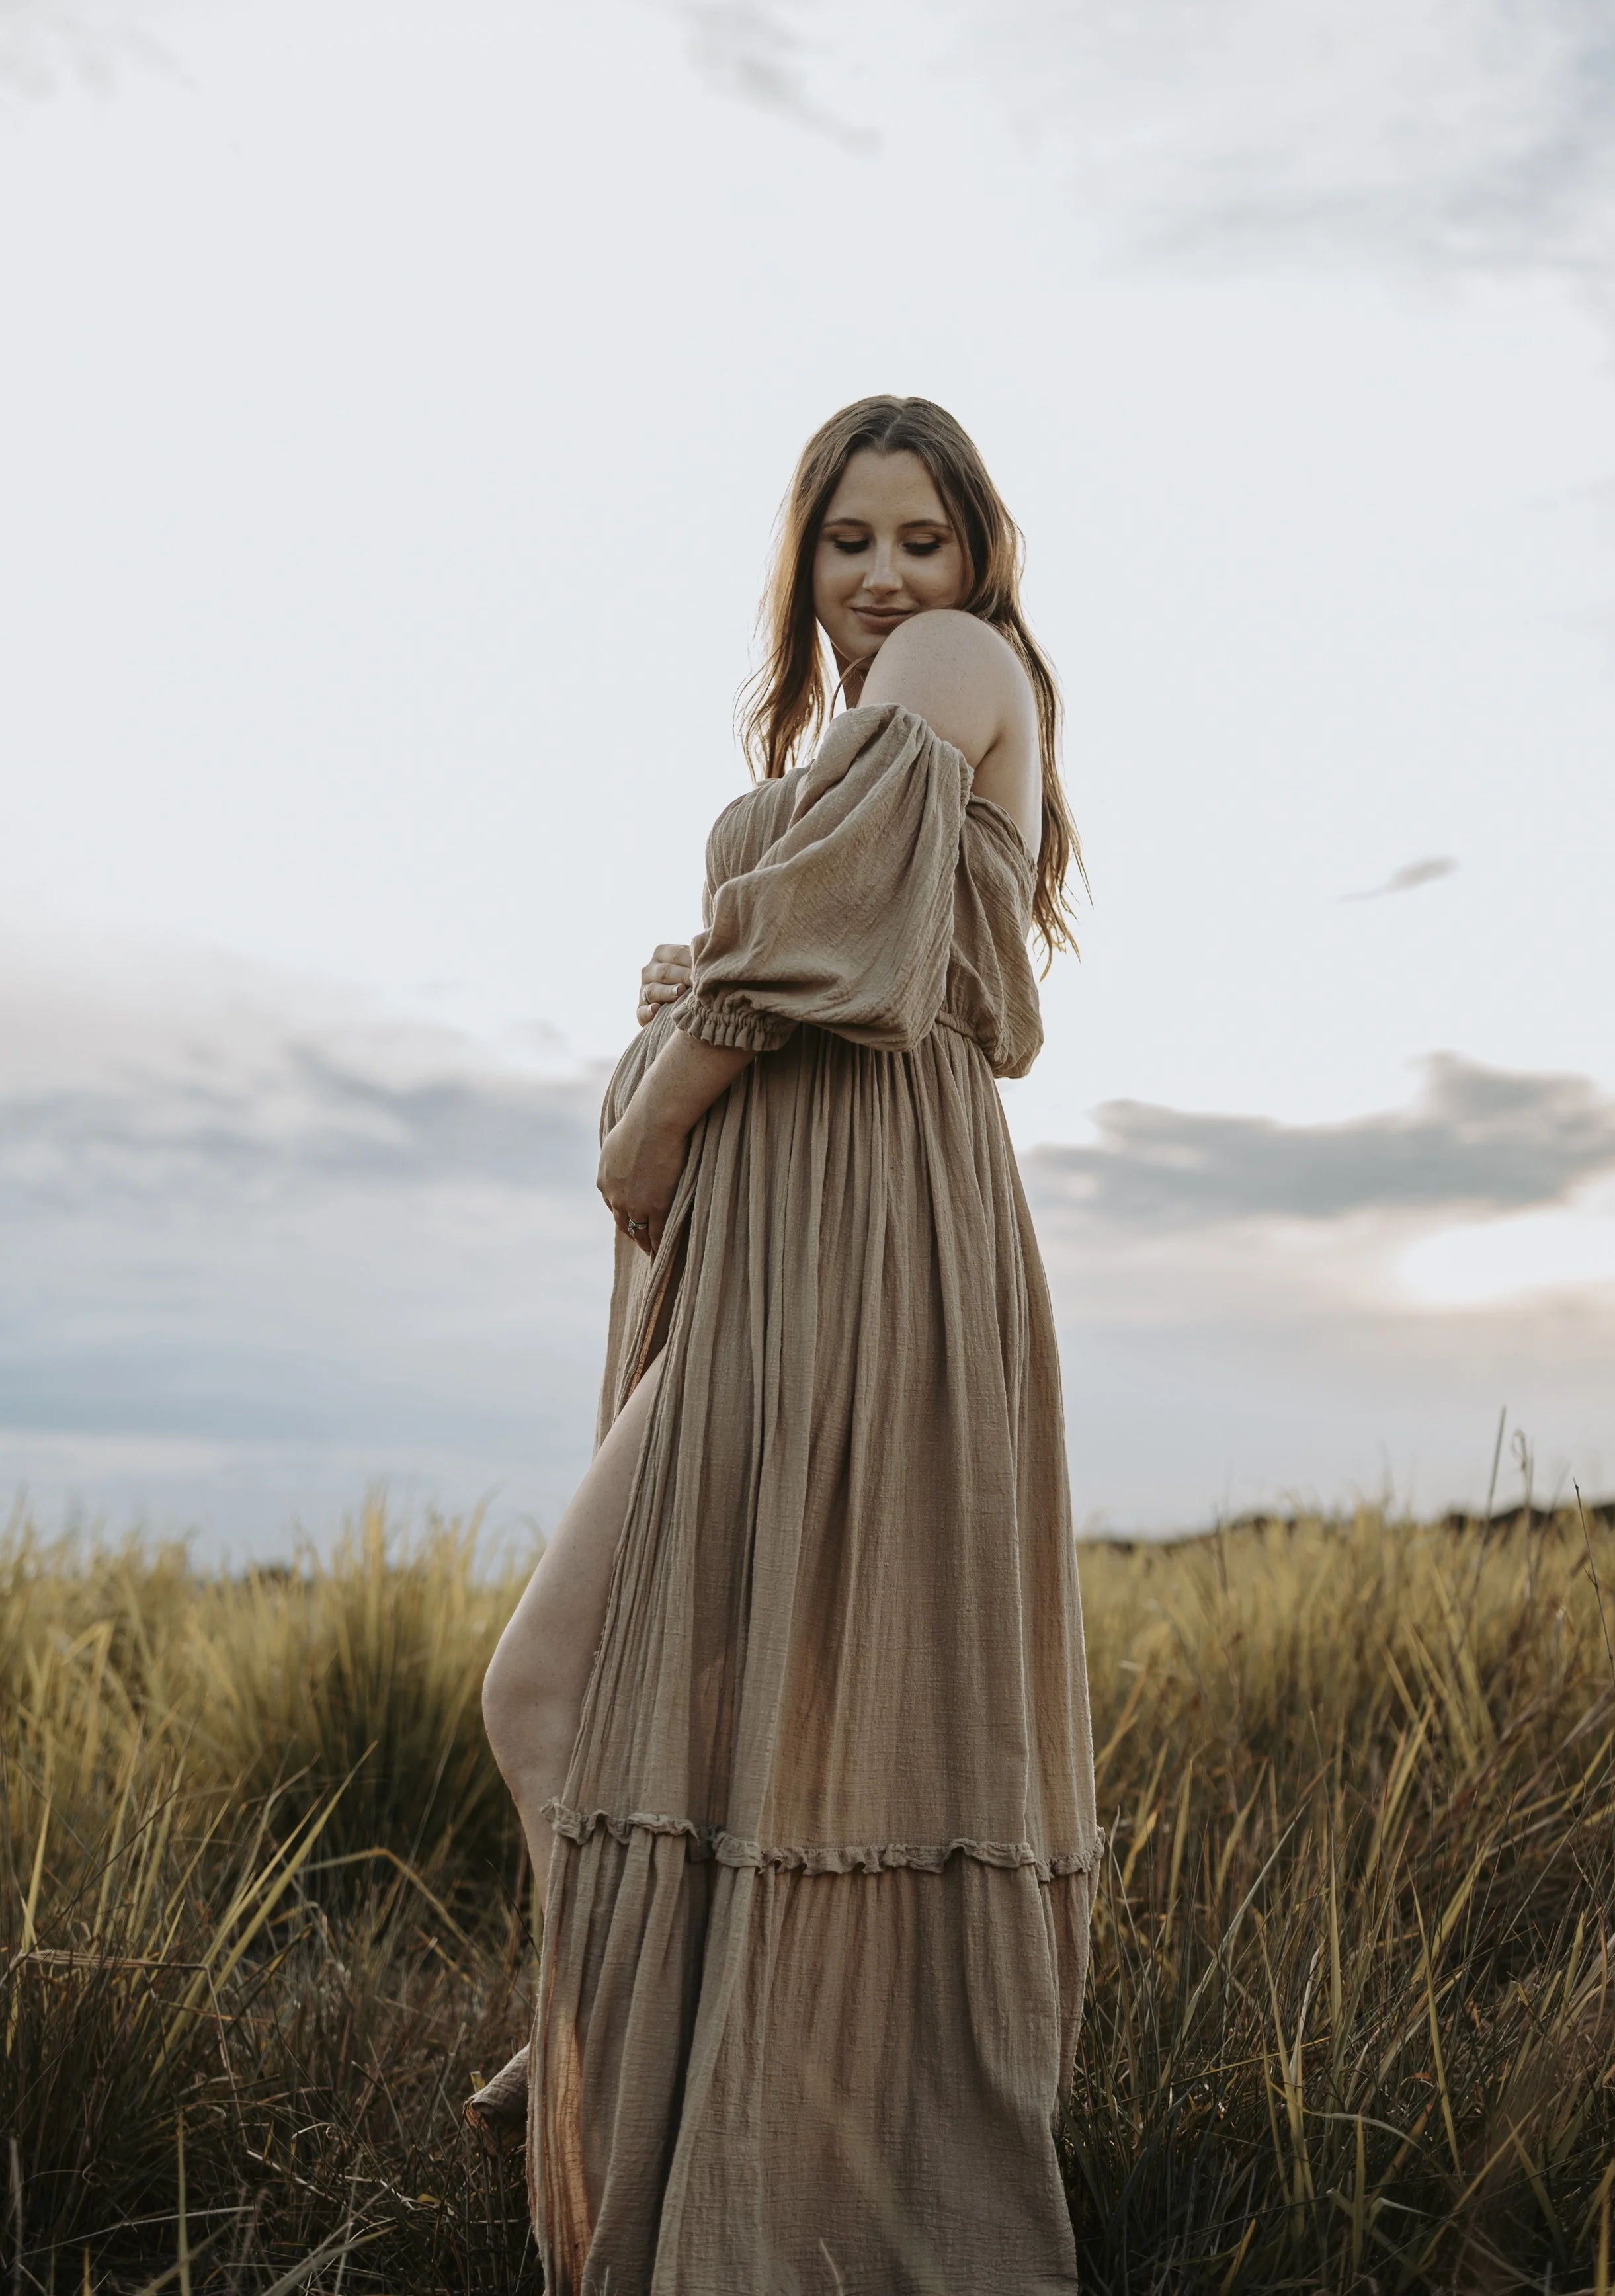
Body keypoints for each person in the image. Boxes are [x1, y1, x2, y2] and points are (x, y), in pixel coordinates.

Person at [474, 395, 1100, 2294]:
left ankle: (658, 2067)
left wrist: (661, 1106)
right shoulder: (858, 723)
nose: (882, 576)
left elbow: (816, 944)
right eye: (847, 542)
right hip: (784, 1250)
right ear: (800, 561)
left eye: (919, 535)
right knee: (647, 1702)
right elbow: (795, 935)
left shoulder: (949, 662)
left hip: (870, 1243)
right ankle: (642, 2044)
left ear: (976, 556)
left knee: (546, 1687)